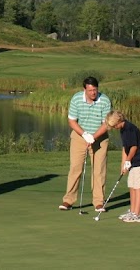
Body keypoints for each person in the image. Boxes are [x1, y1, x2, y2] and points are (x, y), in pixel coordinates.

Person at [59, 76, 111, 211]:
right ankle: (68, 201)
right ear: (84, 90)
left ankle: (99, 202)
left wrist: (93, 137)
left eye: (95, 90)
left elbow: (106, 124)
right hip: (79, 137)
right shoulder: (77, 99)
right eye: (90, 90)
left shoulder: (104, 100)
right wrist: (85, 135)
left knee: (99, 170)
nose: (93, 93)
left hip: (100, 138)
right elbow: (72, 121)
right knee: (75, 168)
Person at [105, 109, 140, 223]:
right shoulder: (122, 129)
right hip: (133, 162)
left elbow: (134, 147)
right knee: (132, 186)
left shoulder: (129, 129)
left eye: (114, 125)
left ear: (119, 121)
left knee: (138, 187)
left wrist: (128, 161)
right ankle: (132, 210)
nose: (114, 127)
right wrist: (123, 164)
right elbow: (125, 148)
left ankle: (137, 214)